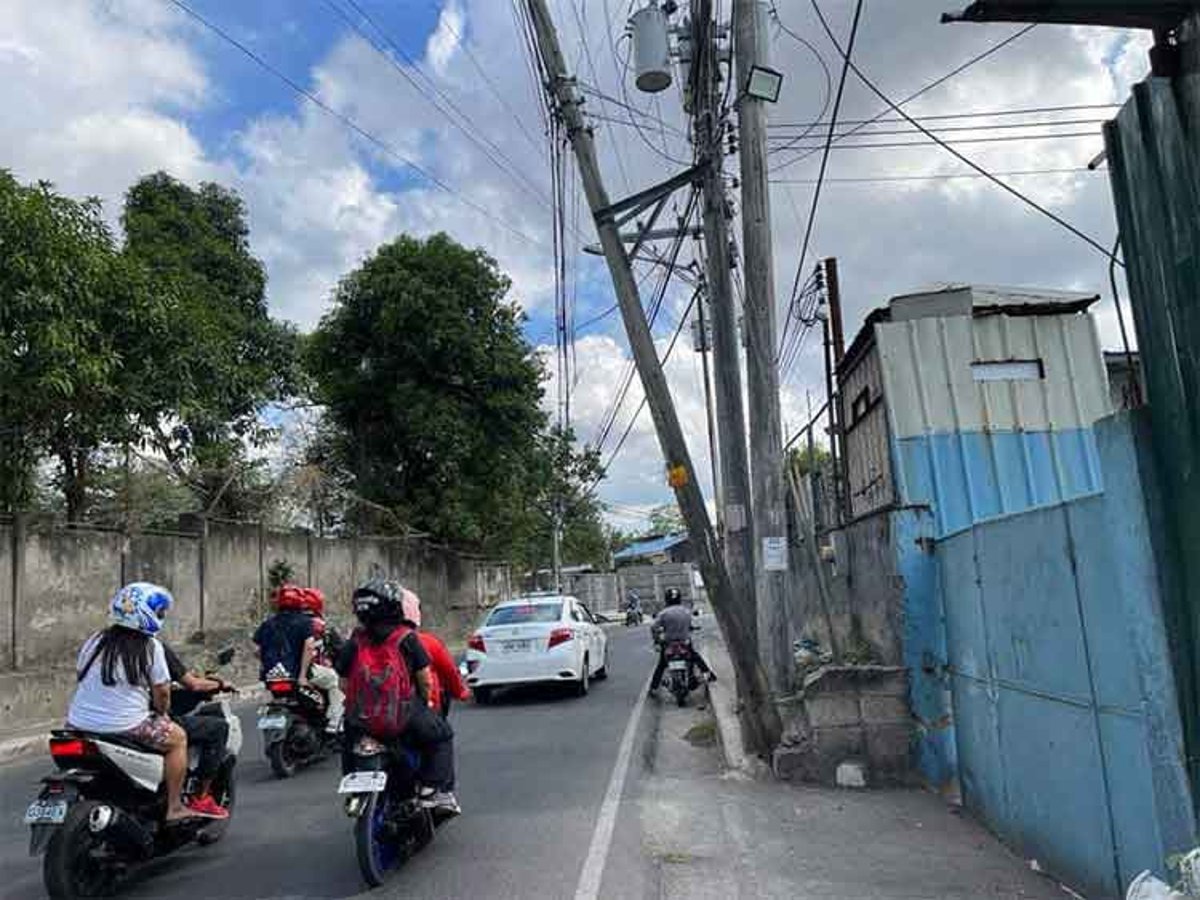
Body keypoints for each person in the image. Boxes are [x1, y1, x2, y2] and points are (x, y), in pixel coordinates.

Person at [66, 583, 224, 821]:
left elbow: (80, 673)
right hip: (126, 725)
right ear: (147, 615)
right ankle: (174, 806)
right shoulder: (150, 647)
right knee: (179, 738)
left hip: (77, 725)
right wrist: (162, 714)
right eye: (160, 612)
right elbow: (162, 694)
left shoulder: (95, 640)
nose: (162, 617)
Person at [336, 578, 459, 815]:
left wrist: (361, 703)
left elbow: (343, 682)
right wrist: (426, 704)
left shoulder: (355, 640)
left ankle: (354, 791)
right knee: (442, 735)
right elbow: (425, 679)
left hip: (361, 716)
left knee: (349, 742)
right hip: (402, 714)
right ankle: (433, 791)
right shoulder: (406, 637)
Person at [253, 584, 344, 733]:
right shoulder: (307, 623)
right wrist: (302, 676)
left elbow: (257, 651)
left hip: (271, 678)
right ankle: (334, 722)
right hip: (298, 674)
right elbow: (310, 647)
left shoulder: (268, 623)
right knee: (334, 679)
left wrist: (269, 665)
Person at [161, 642, 231, 818]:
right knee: (218, 728)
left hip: (88, 721)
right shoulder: (152, 647)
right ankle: (199, 797)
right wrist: (220, 684)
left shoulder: (95, 645)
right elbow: (188, 686)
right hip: (135, 720)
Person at [400, 589, 470, 719]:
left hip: (376, 718)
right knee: (444, 736)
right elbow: (449, 673)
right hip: (421, 714)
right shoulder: (428, 642)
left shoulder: (365, 644)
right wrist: (461, 692)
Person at [648, 587, 716, 696]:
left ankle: (653, 688)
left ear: (667, 599)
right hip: (684, 643)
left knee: (661, 665)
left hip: (669, 643)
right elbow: (690, 625)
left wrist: (657, 640)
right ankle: (708, 673)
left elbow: (653, 627)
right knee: (695, 657)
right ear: (680, 598)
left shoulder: (664, 613)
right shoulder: (686, 611)